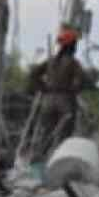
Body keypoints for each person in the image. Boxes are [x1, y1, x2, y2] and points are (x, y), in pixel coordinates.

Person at [27, 29, 85, 163]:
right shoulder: (73, 62)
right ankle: (57, 163)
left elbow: (33, 73)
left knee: (45, 134)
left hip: (48, 100)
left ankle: (37, 162)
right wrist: (73, 90)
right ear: (72, 46)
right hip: (65, 101)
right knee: (64, 136)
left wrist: (42, 88)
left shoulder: (50, 60)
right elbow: (81, 81)